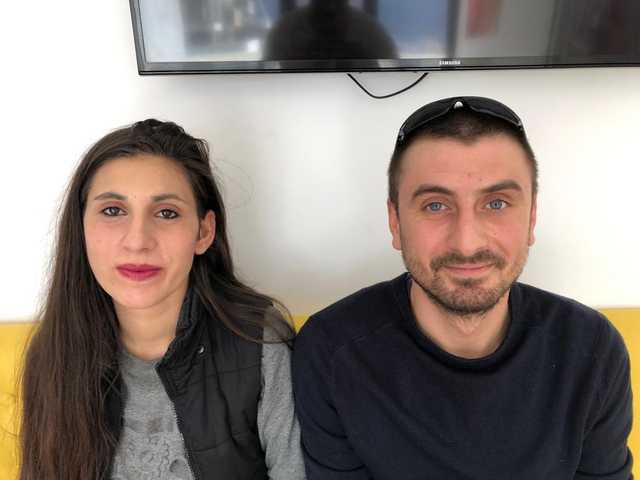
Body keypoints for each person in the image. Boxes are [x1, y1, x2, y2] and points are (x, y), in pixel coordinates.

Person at [292, 97, 632, 479]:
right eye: (435, 206)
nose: (467, 243)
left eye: (497, 203)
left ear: (532, 217)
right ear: (395, 222)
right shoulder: (332, 352)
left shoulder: (592, 350)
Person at [20, 119, 305, 480]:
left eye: (166, 213)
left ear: (203, 232)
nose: (137, 241)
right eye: (113, 211)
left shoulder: (260, 343)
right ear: (81, 227)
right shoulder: (53, 352)